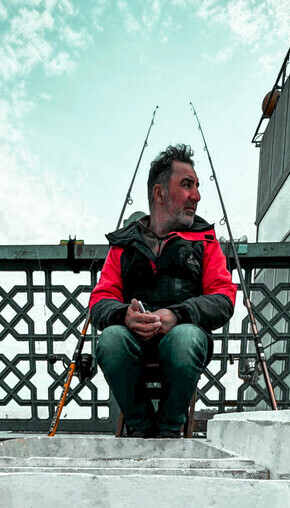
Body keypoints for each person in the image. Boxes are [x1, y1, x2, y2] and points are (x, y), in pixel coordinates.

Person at [89, 144, 237, 437]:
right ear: (159, 194)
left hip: (185, 336)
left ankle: (169, 429)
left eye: (196, 186)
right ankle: (141, 428)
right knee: (110, 340)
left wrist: (178, 315)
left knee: (184, 339)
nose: (196, 195)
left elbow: (224, 296)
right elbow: (99, 300)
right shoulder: (123, 245)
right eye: (186, 185)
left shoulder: (205, 240)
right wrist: (125, 317)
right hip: (133, 340)